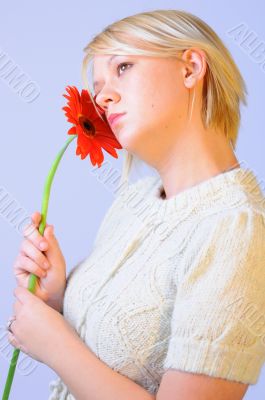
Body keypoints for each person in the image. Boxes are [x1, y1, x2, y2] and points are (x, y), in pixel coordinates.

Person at [8, 9, 265, 400]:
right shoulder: (135, 200)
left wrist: (53, 343)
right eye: (97, 86)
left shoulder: (234, 228)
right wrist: (58, 298)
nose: (102, 97)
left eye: (123, 67)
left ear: (191, 68)